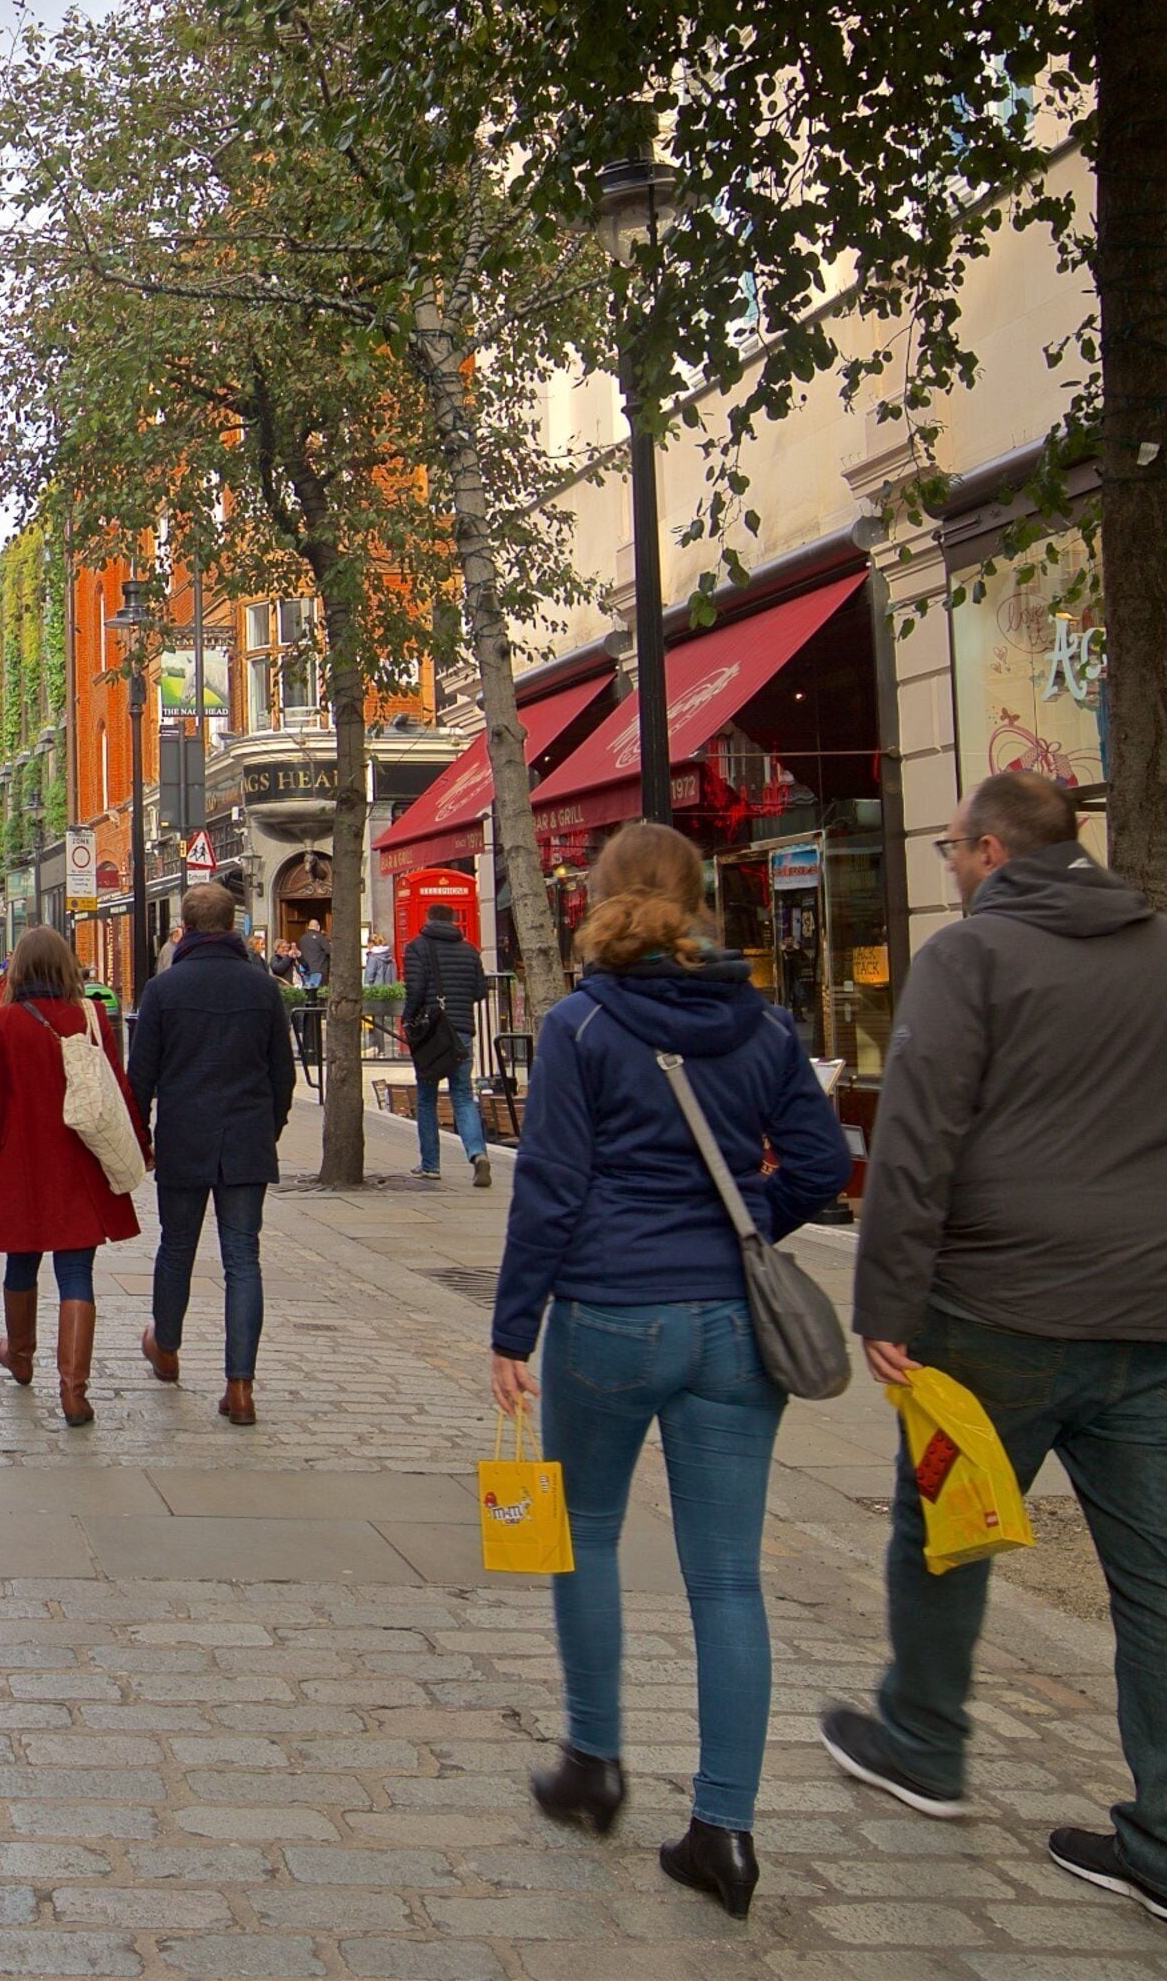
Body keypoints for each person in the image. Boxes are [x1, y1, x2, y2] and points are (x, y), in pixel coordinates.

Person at [822, 771, 1167, 1935]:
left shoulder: (969, 959)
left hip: (997, 1309)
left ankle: (925, 1741)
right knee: (1166, 1582)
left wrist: (885, 1298)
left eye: (951, 847)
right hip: (1165, 1316)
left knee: (947, 1530)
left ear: (991, 851)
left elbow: (919, 1133)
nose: (949, 864)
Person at [484, 822, 852, 1919]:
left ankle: (594, 1765)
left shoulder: (581, 1024)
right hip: (735, 1325)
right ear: (702, 904)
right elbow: (826, 1165)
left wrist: (514, 1328)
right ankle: (725, 1831)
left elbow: (549, 1187)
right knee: (728, 1576)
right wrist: (743, 1229)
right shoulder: (764, 1025)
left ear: (595, 899)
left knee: (583, 1534)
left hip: (608, 1314)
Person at [127, 885, 298, 1426]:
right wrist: (267, 1129)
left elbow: (141, 1078)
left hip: (185, 1133)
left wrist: (144, 1136)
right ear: (234, 926)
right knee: (243, 1260)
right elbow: (283, 1075)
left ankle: (168, 1347)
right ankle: (240, 1385)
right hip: (245, 1137)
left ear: (185, 926)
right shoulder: (263, 987)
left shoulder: (164, 988)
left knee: (176, 1248)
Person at [0, 928, 143, 1427]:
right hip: (79, 1160)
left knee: (21, 1266)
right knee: (76, 1273)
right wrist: (141, 1148)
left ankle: (20, 1357)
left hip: (21, 1164)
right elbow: (117, 1089)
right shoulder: (88, 1016)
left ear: (17, 968)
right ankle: (73, 1392)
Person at [401, 903, 492, 1186]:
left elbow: (415, 989)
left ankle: (431, 1165)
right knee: (463, 1096)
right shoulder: (469, 950)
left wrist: (407, 1019)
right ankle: (478, 1154)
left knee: (427, 1098)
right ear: (454, 921)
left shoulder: (418, 947)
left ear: (428, 919)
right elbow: (480, 991)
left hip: (432, 1035)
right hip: (461, 1031)